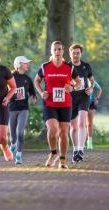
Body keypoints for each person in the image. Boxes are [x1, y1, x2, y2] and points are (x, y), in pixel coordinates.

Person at [34, 41, 79, 169]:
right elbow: (36, 80)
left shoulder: (69, 67)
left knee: (64, 132)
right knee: (53, 129)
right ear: (51, 51)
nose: (57, 52)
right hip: (50, 103)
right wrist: (41, 92)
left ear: (63, 51)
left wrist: (72, 87)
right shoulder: (45, 67)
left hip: (65, 104)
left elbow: (78, 82)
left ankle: (63, 159)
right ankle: (53, 152)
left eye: (59, 49)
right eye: (55, 49)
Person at [69, 43, 95, 163]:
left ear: (81, 54)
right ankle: (75, 150)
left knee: (81, 123)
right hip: (71, 98)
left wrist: (91, 88)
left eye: (78, 53)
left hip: (84, 97)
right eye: (74, 52)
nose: (76, 55)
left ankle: (81, 150)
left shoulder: (86, 66)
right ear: (70, 53)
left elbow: (92, 80)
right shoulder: (67, 66)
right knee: (73, 127)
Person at [9, 56, 37, 164]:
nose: (27, 65)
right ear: (19, 64)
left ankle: (19, 155)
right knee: (12, 136)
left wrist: (33, 97)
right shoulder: (10, 77)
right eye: (26, 63)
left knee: (20, 132)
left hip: (23, 109)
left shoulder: (28, 79)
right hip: (11, 108)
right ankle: (12, 144)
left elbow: (33, 93)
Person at [87, 81, 102, 149]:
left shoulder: (91, 81)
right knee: (82, 124)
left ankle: (89, 142)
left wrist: (97, 98)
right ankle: (81, 142)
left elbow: (99, 89)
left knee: (89, 123)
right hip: (81, 103)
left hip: (91, 103)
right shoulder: (78, 79)